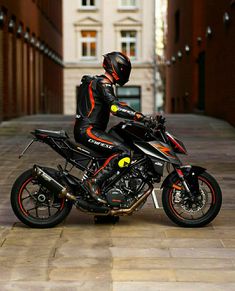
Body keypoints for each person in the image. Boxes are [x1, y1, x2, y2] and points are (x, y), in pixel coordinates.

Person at [74, 51, 150, 204]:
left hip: (90, 130)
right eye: (124, 69)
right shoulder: (103, 83)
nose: (125, 72)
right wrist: (138, 116)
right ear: (116, 67)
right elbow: (115, 107)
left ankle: (107, 192)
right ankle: (93, 182)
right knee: (123, 152)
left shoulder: (98, 82)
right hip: (89, 130)